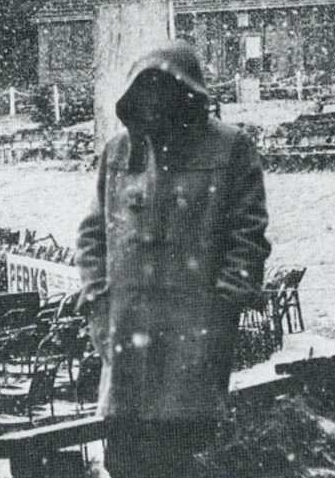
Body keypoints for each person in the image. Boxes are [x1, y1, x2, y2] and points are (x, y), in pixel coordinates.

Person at [75, 41, 271, 478]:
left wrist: (223, 309)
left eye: (167, 89)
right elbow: (91, 236)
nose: (156, 102)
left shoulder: (231, 148)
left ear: (189, 92)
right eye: (145, 90)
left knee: (186, 460)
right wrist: (96, 304)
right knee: (124, 461)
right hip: (126, 340)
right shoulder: (118, 152)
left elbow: (249, 237)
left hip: (193, 343)